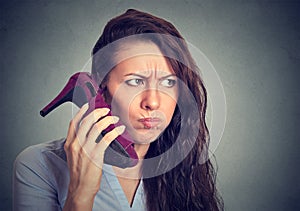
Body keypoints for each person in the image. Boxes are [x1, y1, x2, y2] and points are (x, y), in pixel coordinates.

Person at [13, 9, 224, 211]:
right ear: (101, 89)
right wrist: (81, 194)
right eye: (135, 81)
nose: (153, 102)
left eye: (168, 82)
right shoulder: (38, 164)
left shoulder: (185, 168)